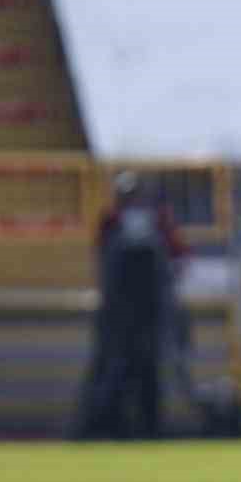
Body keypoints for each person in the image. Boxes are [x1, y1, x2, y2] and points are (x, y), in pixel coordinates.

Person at [77, 171, 183, 439]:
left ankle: (149, 427)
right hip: (119, 312)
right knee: (115, 370)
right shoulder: (112, 221)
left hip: (149, 310)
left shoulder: (156, 220)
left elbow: (177, 255)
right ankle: (111, 425)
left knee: (148, 370)